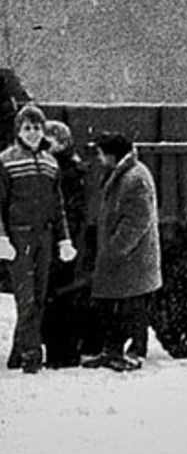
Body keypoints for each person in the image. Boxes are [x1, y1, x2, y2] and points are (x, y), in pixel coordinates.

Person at [1, 104, 77, 373]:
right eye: (27, 128)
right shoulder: (6, 160)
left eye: (36, 128)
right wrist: (2, 238)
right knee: (26, 298)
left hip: (44, 238)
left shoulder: (49, 163)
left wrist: (63, 239)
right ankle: (32, 356)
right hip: (19, 238)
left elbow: (58, 207)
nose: (32, 133)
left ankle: (16, 354)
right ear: (18, 131)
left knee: (39, 297)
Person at [88, 131, 162, 371]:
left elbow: (137, 221)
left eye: (100, 153)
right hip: (124, 257)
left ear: (112, 155)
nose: (98, 159)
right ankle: (112, 351)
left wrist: (115, 249)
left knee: (134, 307)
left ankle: (134, 353)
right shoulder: (124, 174)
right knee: (116, 306)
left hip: (133, 258)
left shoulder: (135, 178)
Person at [39, 120, 96, 368]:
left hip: (64, 245)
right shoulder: (70, 169)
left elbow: (68, 213)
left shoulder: (65, 172)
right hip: (66, 244)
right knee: (62, 299)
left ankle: (62, 355)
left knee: (60, 301)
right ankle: (64, 351)